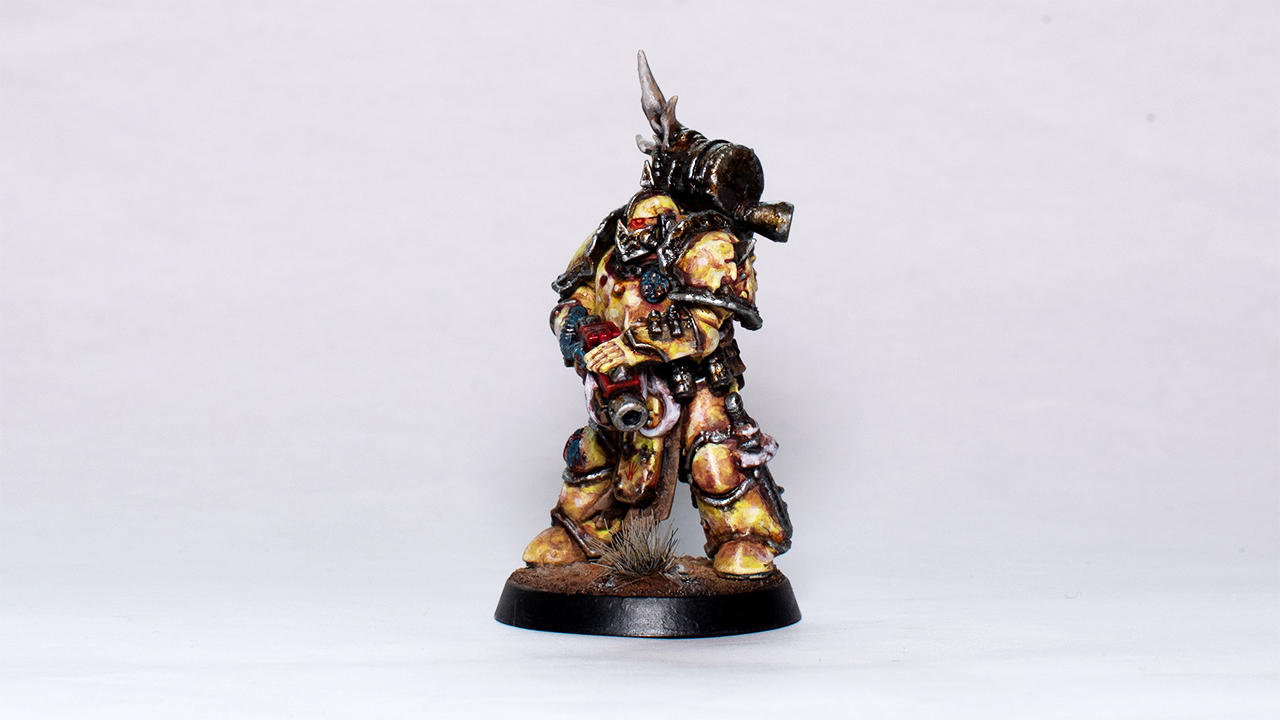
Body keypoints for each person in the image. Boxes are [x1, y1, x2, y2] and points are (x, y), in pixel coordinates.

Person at [521, 52, 795, 578]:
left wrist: (636, 345)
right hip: (620, 378)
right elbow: (576, 291)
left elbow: (705, 326)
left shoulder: (711, 245)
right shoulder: (616, 229)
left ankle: (744, 536)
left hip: (691, 380)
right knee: (594, 452)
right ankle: (578, 532)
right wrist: (576, 329)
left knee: (715, 460)